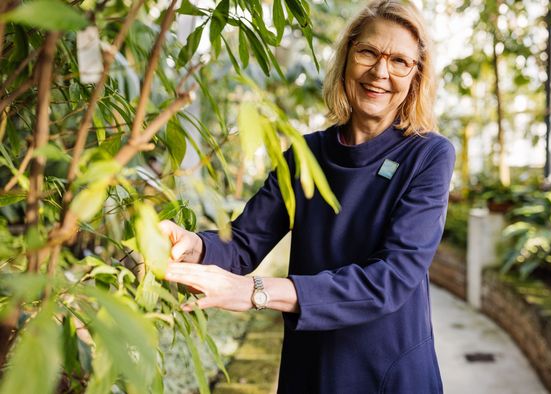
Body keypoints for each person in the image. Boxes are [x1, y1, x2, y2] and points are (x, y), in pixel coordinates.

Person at [160, 0, 455, 392]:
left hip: (388, 373)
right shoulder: (306, 154)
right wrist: (191, 245)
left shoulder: (429, 155)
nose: (380, 72)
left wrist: (254, 292)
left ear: (416, 76)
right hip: (309, 368)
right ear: (347, 56)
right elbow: (244, 244)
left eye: (399, 61)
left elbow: (390, 278)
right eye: (368, 52)